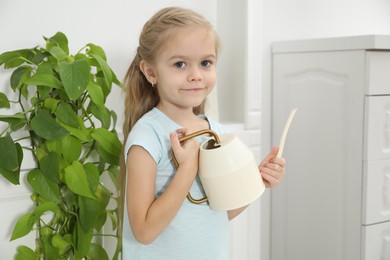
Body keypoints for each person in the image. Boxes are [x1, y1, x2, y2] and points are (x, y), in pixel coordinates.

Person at [121, 6, 286, 259]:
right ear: (151, 72)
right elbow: (144, 231)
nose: (196, 75)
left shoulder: (215, 133)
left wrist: (256, 182)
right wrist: (187, 170)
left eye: (206, 63)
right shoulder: (147, 137)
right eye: (180, 64)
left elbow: (219, 211)